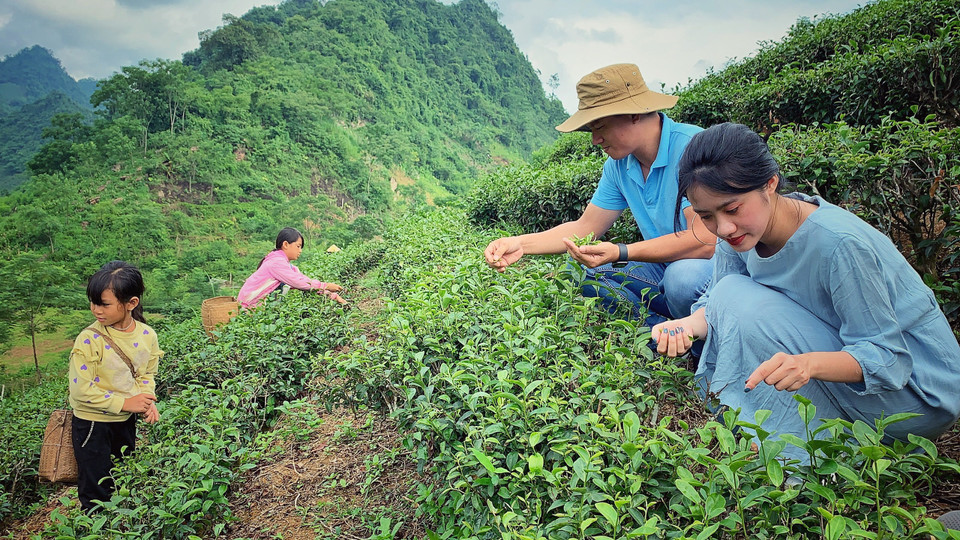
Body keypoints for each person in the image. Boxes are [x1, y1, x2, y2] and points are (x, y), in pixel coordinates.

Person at [653, 123, 960, 463]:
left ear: (770, 184)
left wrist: (808, 364)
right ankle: (798, 436)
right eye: (706, 216)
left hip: (917, 395)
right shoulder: (738, 235)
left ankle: (813, 456)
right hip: (844, 356)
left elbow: (888, 360)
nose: (723, 228)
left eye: (733, 208)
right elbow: (716, 299)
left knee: (741, 302)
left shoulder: (839, 244)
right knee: (731, 293)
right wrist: (686, 326)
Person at [483, 63, 716, 327]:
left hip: (709, 272)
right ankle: (659, 337)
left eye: (600, 126)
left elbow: (705, 241)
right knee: (581, 271)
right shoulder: (620, 165)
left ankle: (697, 338)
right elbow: (585, 227)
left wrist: (621, 251)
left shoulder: (692, 147)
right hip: (663, 267)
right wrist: (520, 244)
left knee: (682, 278)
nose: (595, 139)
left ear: (633, 114)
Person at [70, 261, 161, 512]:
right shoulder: (89, 339)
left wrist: (146, 400)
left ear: (131, 303)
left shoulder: (146, 335)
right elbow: (81, 391)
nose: (96, 309)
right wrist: (126, 403)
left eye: (104, 304)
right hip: (92, 424)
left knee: (123, 474)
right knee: (95, 486)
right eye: (93, 302)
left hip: (125, 421)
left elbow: (146, 374)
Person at [238, 227, 347, 309]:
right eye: (298, 246)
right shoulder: (276, 263)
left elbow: (304, 283)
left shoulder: (287, 266)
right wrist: (326, 285)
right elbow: (299, 283)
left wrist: (332, 295)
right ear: (285, 244)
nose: (300, 250)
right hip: (249, 308)